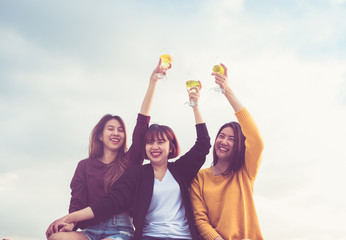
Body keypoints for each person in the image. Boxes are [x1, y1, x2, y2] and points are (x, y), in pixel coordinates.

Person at [46, 80, 211, 240]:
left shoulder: (173, 169)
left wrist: (194, 105)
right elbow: (106, 202)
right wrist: (69, 220)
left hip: (161, 233)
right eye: (150, 142)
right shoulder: (137, 174)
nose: (155, 147)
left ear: (171, 146)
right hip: (135, 234)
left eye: (161, 142)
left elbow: (203, 144)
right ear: (100, 136)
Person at [46, 59, 168, 240]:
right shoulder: (84, 166)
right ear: (100, 136)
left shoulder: (130, 161)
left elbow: (142, 123)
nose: (116, 133)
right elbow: (77, 202)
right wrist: (71, 222)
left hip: (120, 229)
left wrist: (153, 81)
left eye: (120, 130)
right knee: (57, 238)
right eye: (110, 129)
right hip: (89, 229)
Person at [189, 64, 264, 240]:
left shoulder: (246, 172)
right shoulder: (200, 177)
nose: (224, 141)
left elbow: (256, 140)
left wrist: (227, 90)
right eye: (221, 136)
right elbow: (200, 219)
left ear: (239, 145)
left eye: (231, 139)